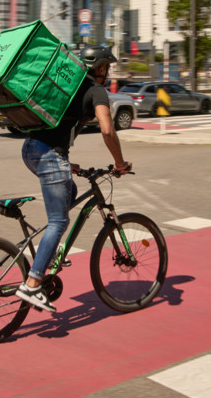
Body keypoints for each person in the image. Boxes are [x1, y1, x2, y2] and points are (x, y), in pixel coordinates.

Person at [16, 44, 132, 312]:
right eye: (108, 68)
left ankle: (49, 250)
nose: (109, 73)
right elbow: (107, 129)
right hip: (49, 156)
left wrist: (66, 164)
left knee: (68, 193)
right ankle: (32, 284)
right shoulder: (95, 90)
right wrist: (119, 162)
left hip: (31, 149)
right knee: (59, 220)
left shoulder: (68, 85)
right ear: (100, 68)